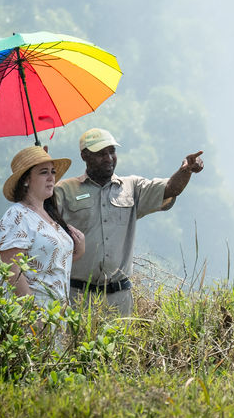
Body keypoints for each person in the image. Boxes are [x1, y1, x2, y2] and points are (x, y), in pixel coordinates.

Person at [55, 127, 204, 315]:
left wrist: (185, 171)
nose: (109, 158)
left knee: (120, 345)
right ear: (84, 156)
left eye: (112, 151)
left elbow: (170, 189)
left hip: (119, 299)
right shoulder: (64, 190)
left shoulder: (132, 187)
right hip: (77, 296)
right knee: (77, 345)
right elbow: (43, 226)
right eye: (101, 154)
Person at [0, 145, 86, 308]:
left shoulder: (50, 216)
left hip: (56, 315)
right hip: (30, 318)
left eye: (52, 172)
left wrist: (79, 250)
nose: (51, 177)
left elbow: (50, 267)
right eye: (43, 172)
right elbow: (12, 272)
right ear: (26, 180)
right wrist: (33, 317)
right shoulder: (17, 216)